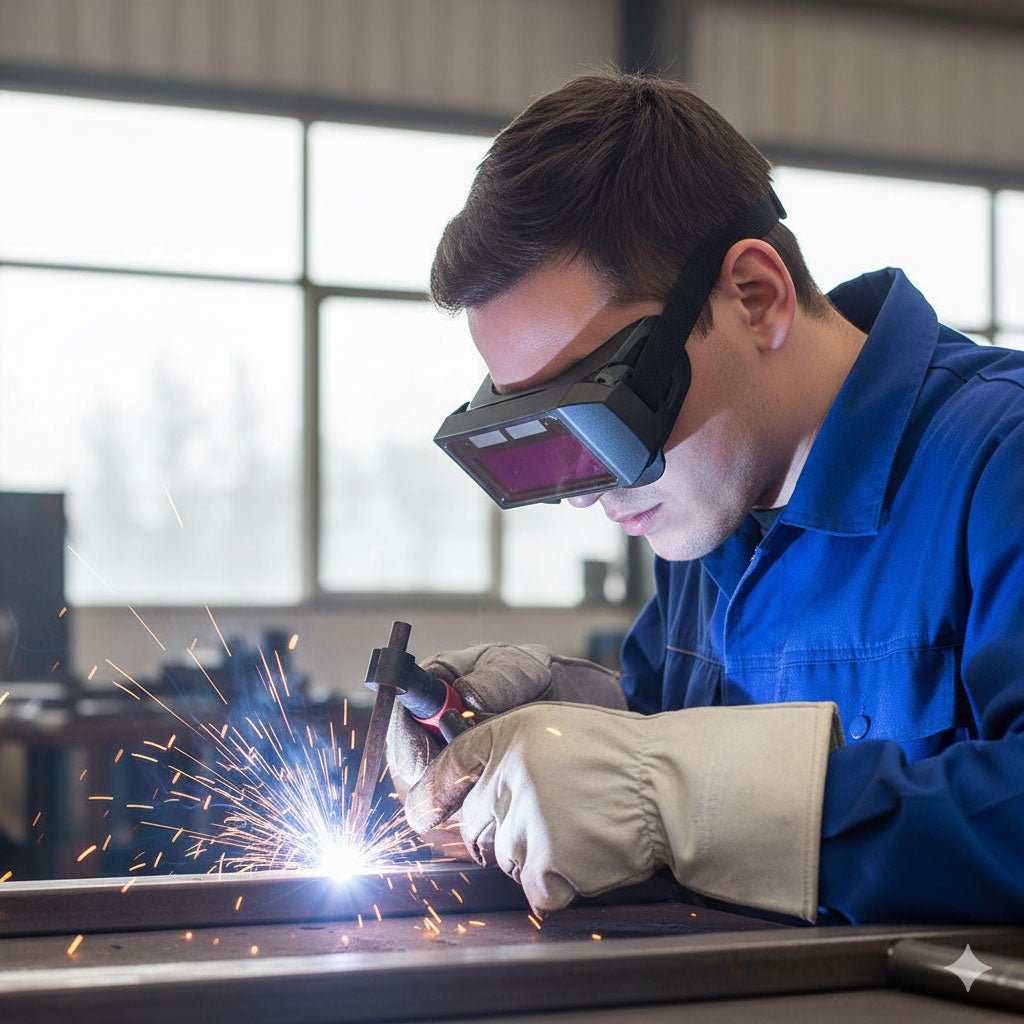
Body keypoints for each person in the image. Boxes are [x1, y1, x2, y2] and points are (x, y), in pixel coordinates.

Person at [386, 71, 1024, 925]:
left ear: (756, 298)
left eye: (607, 416)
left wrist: (675, 796)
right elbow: (662, 746)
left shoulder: (998, 462)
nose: (590, 494)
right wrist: (560, 731)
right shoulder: (711, 515)